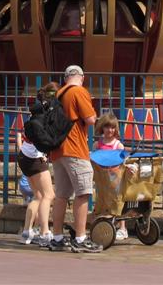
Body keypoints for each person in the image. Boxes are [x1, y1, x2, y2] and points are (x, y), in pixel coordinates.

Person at [47, 65, 101, 253]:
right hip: (75, 148)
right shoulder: (79, 91)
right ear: (82, 77)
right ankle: (80, 238)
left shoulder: (59, 94)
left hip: (57, 151)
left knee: (61, 195)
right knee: (83, 193)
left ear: (65, 78)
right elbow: (90, 119)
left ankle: (57, 238)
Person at [18, 83, 58, 247]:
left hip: (24, 156)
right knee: (49, 195)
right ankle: (44, 232)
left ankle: (27, 231)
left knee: (38, 196)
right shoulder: (47, 114)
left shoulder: (35, 112)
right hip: (36, 158)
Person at [93, 112, 130, 241]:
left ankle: (123, 228)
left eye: (113, 127)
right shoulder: (97, 144)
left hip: (115, 179)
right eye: (107, 127)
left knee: (117, 202)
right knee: (102, 201)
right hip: (102, 179)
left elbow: (124, 162)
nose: (110, 130)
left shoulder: (118, 145)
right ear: (102, 127)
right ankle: (105, 225)